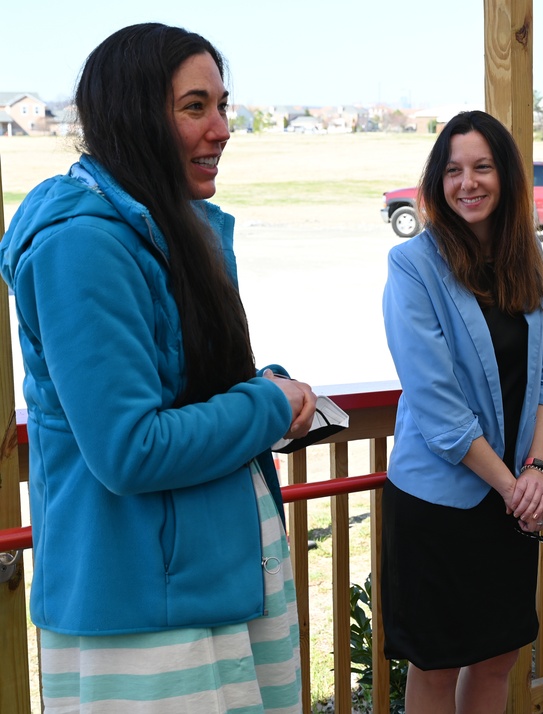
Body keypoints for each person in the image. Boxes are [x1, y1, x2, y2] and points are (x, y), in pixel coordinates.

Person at [0, 24, 317, 712]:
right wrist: (264, 408)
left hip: (217, 573)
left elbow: (186, 387)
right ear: (134, 116)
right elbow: (129, 450)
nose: (223, 128)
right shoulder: (81, 245)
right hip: (143, 610)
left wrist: (267, 392)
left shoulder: (175, 228)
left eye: (223, 106)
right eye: (195, 107)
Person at [381, 110, 543, 713]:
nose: (468, 182)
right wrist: (515, 486)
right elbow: (436, 404)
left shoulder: (523, 260)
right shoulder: (414, 266)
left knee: (498, 656)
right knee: (436, 663)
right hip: (442, 500)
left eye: (482, 167)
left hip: (514, 497)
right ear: (437, 182)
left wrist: (537, 468)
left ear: (505, 176)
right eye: (453, 170)